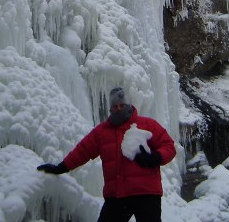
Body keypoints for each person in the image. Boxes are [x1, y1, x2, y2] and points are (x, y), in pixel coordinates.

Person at [37, 87, 176, 222]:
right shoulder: (101, 132)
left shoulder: (147, 124)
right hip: (117, 195)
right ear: (110, 108)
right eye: (115, 106)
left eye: (122, 105)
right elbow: (82, 151)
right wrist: (61, 167)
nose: (119, 109)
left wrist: (155, 157)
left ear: (128, 104)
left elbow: (168, 146)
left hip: (146, 193)